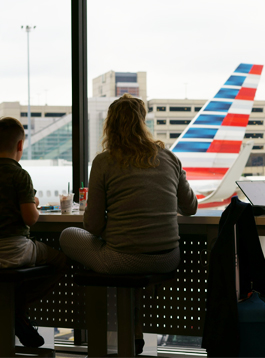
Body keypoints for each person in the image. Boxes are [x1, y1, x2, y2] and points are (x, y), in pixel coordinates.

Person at [59, 94, 198, 355]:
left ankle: (115, 338)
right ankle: (135, 331)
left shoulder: (104, 161)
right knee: (129, 265)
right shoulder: (169, 158)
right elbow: (191, 208)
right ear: (143, 122)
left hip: (123, 259)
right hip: (167, 258)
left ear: (109, 125)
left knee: (68, 235)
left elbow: (93, 225)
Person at [0, 116, 68, 348]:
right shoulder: (20, 175)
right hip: (15, 250)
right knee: (60, 260)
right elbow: (30, 218)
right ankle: (17, 308)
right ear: (20, 145)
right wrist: (33, 204)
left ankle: (9, 308)